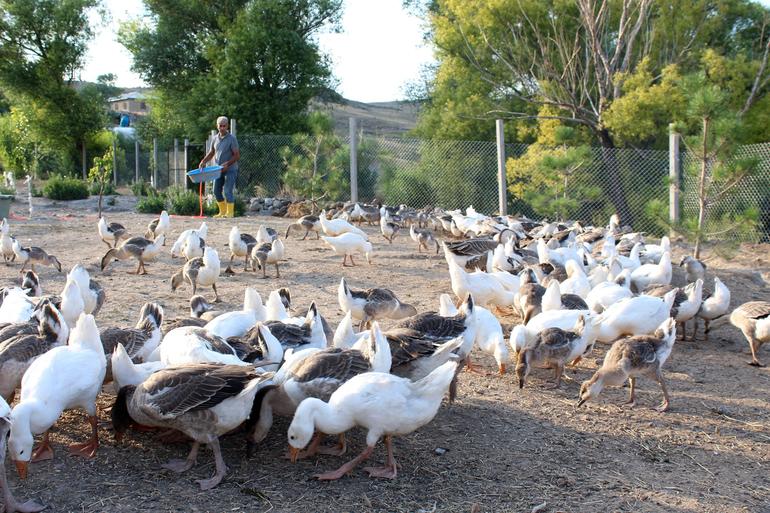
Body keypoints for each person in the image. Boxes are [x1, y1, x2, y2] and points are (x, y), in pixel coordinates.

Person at [199, 116, 240, 218]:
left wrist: (227, 164)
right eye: (220, 126)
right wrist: (203, 161)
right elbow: (212, 152)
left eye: (224, 126)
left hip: (231, 169)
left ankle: (230, 213)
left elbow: (237, 155)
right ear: (217, 126)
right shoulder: (214, 139)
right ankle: (222, 212)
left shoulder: (232, 139)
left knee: (227, 190)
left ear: (227, 126)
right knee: (216, 191)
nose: (222, 128)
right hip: (218, 170)